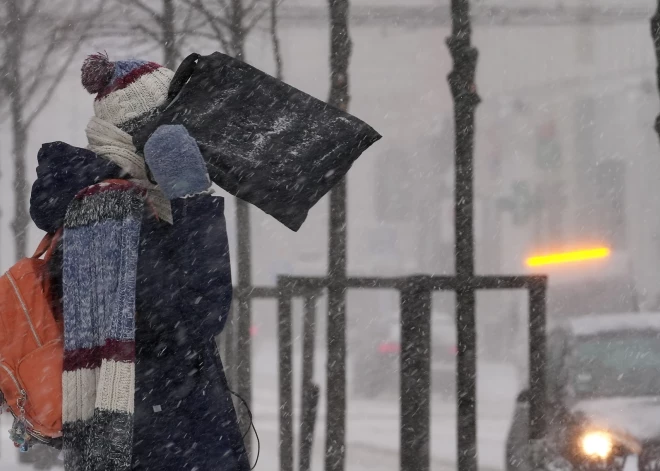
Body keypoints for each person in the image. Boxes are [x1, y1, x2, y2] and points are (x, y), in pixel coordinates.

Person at [29, 53, 250, 470]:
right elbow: (197, 317)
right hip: (158, 440)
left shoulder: (108, 204)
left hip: (152, 433)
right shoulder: (112, 214)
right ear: (144, 134)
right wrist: (194, 204)